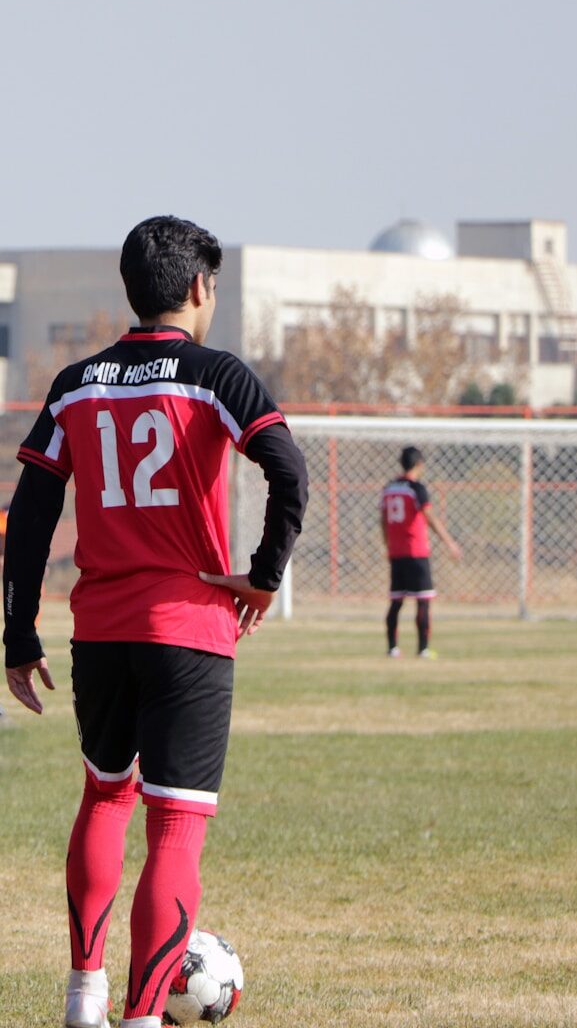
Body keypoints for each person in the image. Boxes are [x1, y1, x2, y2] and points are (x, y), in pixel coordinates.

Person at [2, 216, 309, 1028]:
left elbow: (31, 507)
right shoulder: (217, 375)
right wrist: (264, 577)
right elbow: (288, 470)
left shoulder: (78, 383)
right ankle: (141, 1019)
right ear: (201, 288)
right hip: (188, 631)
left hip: (100, 632)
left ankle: (84, 997)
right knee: (174, 822)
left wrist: (18, 631)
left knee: (105, 799)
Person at [380, 446, 461, 658]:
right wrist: (449, 542)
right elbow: (430, 517)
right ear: (419, 464)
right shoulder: (417, 488)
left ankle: (392, 648)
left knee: (396, 600)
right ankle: (423, 649)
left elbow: (383, 520)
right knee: (423, 600)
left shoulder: (389, 488)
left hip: (396, 551)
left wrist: (388, 545)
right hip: (416, 551)